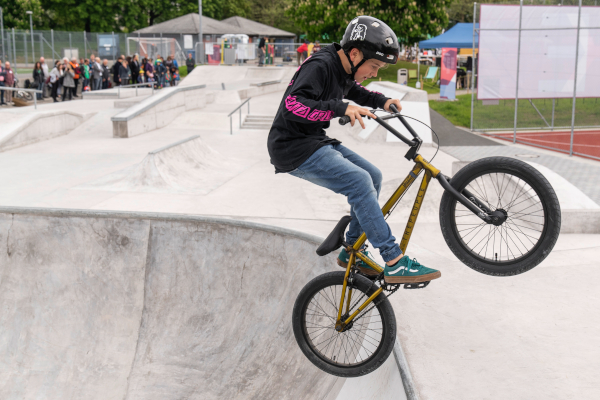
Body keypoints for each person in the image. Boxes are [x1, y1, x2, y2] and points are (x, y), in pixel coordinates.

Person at [267, 16, 441, 284]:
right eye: (374, 66)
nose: (375, 73)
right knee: (359, 182)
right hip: (292, 147)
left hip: (313, 139)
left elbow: (355, 91)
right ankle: (393, 260)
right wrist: (339, 108)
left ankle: (352, 251)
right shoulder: (321, 65)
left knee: (373, 176)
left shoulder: (343, 68)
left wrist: (382, 101)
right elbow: (293, 105)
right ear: (355, 53)